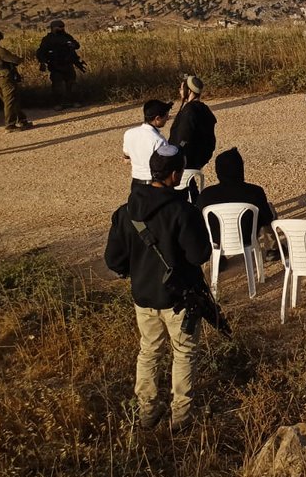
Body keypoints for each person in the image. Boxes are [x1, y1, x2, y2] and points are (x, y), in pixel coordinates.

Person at [104, 144, 212, 431]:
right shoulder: (183, 211)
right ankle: (181, 417)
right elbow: (200, 255)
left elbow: (113, 260)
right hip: (180, 300)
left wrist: (134, 271)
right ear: (175, 174)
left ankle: (147, 412)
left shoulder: (125, 211)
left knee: (149, 351)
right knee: (184, 353)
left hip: (143, 297)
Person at [199, 147, 279, 264]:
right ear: (240, 169)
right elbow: (266, 218)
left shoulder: (206, 195)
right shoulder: (254, 191)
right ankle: (272, 249)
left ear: (218, 171)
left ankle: (215, 257)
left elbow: (199, 222)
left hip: (217, 240)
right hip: (247, 238)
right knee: (268, 208)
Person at [169, 75, 216, 199]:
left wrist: (177, 153)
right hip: (198, 159)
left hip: (186, 159)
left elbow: (184, 137)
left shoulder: (189, 110)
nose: (180, 91)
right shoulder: (204, 109)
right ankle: (194, 197)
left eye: (181, 89)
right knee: (189, 184)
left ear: (188, 91)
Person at [123, 100, 173, 189]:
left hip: (136, 184)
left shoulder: (129, 133)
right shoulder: (159, 140)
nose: (167, 118)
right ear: (157, 118)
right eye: (166, 116)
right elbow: (165, 165)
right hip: (154, 185)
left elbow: (126, 156)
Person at [36, 19, 85, 109]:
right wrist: (43, 62)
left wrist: (72, 45)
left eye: (63, 27)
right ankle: (58, 104)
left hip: (68, 64)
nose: (62, 28)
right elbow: (41, 52)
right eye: (59, 27)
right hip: (55, 66)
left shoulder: (67, 36)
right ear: (53, 28)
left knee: (72, 84)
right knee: (57, 86)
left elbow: (77, 45)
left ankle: (74, 101)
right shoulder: (48, 39)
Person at [0, 29, 32, 130]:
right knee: (11, 101)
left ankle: (22, 119)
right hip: (4, 78)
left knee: (9, 100)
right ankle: (10, 124)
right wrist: (21, 59)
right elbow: (15, 60)